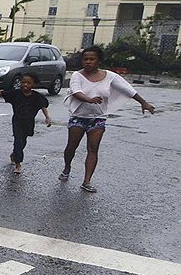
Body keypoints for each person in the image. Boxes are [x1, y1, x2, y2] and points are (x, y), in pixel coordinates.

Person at [60, 45, 155, 192]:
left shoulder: (110, 76)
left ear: (99, 61)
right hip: (78, 117)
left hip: (98, 118)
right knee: (71, 147)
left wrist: (144, 102)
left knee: (93, 149)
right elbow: (76, 92)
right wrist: (89, 99)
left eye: (92, 59)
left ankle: (87, 181)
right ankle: (67, 168)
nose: (88, 62)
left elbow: (128, 89)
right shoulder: (76, 76)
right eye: (85, 59)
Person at [0, 73, 52, 174]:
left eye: (29, 83)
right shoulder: (16, 93)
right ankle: (18, 164)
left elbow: (43, 106)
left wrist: (47, 117)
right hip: (17, 120)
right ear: (20, 83)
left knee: (23, 141)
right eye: (23, 82)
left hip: (29, 122)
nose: (26, 85)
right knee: (18, 141)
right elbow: (0, 93)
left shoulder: (37, 96)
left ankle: (15, 153)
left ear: (33, 84)